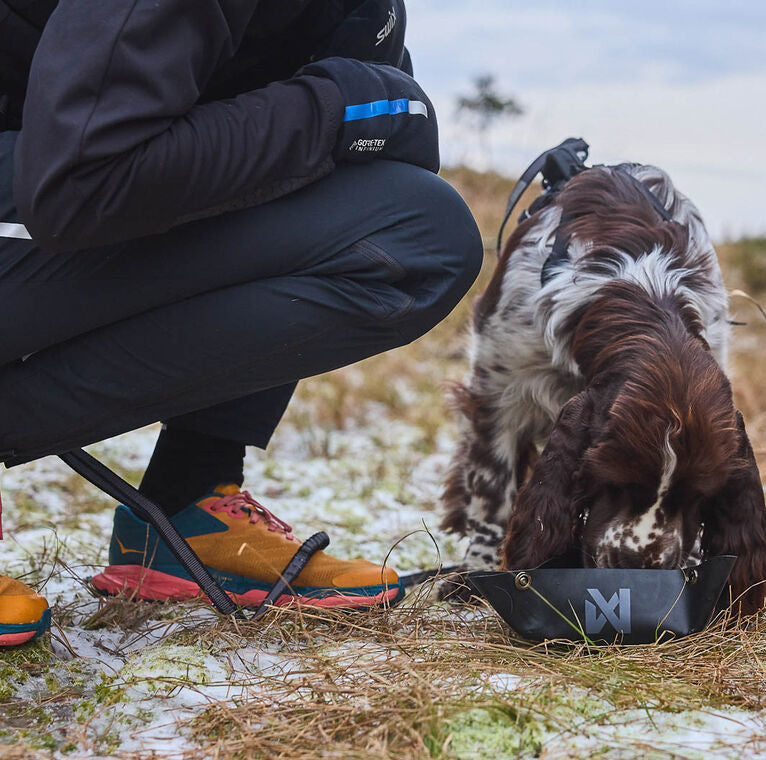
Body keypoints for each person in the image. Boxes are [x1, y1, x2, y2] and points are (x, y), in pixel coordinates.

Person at [0, 0, 483, 646]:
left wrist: (351, 114)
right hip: (59, 175)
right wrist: (332, 110)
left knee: (414, 235)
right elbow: (78, 180)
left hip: (50, 177)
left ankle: (190, 494)